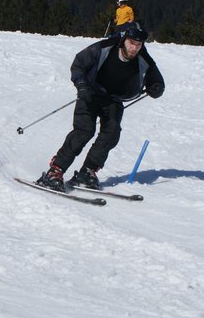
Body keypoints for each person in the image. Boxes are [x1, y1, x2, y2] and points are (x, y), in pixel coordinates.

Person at [36, 22, 164, 192]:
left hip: (114, 99)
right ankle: (55, 171)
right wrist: (82, 86)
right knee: (84, 131)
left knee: (111, 134)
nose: (134, 48)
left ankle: (87, 172)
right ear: (123, 40)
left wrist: (156, 88)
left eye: (139, 45)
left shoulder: (144, 58)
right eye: (131, 43)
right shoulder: (105, 47)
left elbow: (157, 81)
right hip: (90, 93)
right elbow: (79, 64)